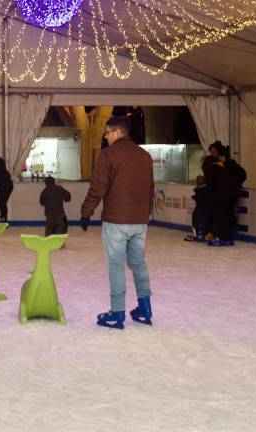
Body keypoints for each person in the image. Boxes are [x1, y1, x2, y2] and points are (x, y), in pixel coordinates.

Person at [80, 116, 154, 330]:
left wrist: (86, 212)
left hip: (116, 220)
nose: (105, 136)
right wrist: (144, 214)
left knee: (116, 265)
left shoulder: (109, 154)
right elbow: (150, 189)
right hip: (139, 221)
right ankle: (145, 307)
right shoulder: (144, 156)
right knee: (139, 264)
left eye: (107, 132)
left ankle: (117, 312)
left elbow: (98, 187)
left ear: (117, 132)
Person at [206, 144, 246, 246]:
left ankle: (224, 237)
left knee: (225, 216)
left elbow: (242, 174)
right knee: (221, 216)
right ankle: (223, 236)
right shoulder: (212, 164)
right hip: (219, 195)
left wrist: (233, 184)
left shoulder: (230, 163)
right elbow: (211, 181)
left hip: (228, 195)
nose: (213, 154)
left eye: (214, 151)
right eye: (211, 152)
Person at [185, 175, 210, 242]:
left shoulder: (201, 189)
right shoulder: (205, 188)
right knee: (200, 218)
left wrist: (195, 197)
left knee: (198, 218)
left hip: (202, 208)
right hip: (205, 208)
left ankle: (200, 235)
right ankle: (202, 234)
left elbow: (200, 199)